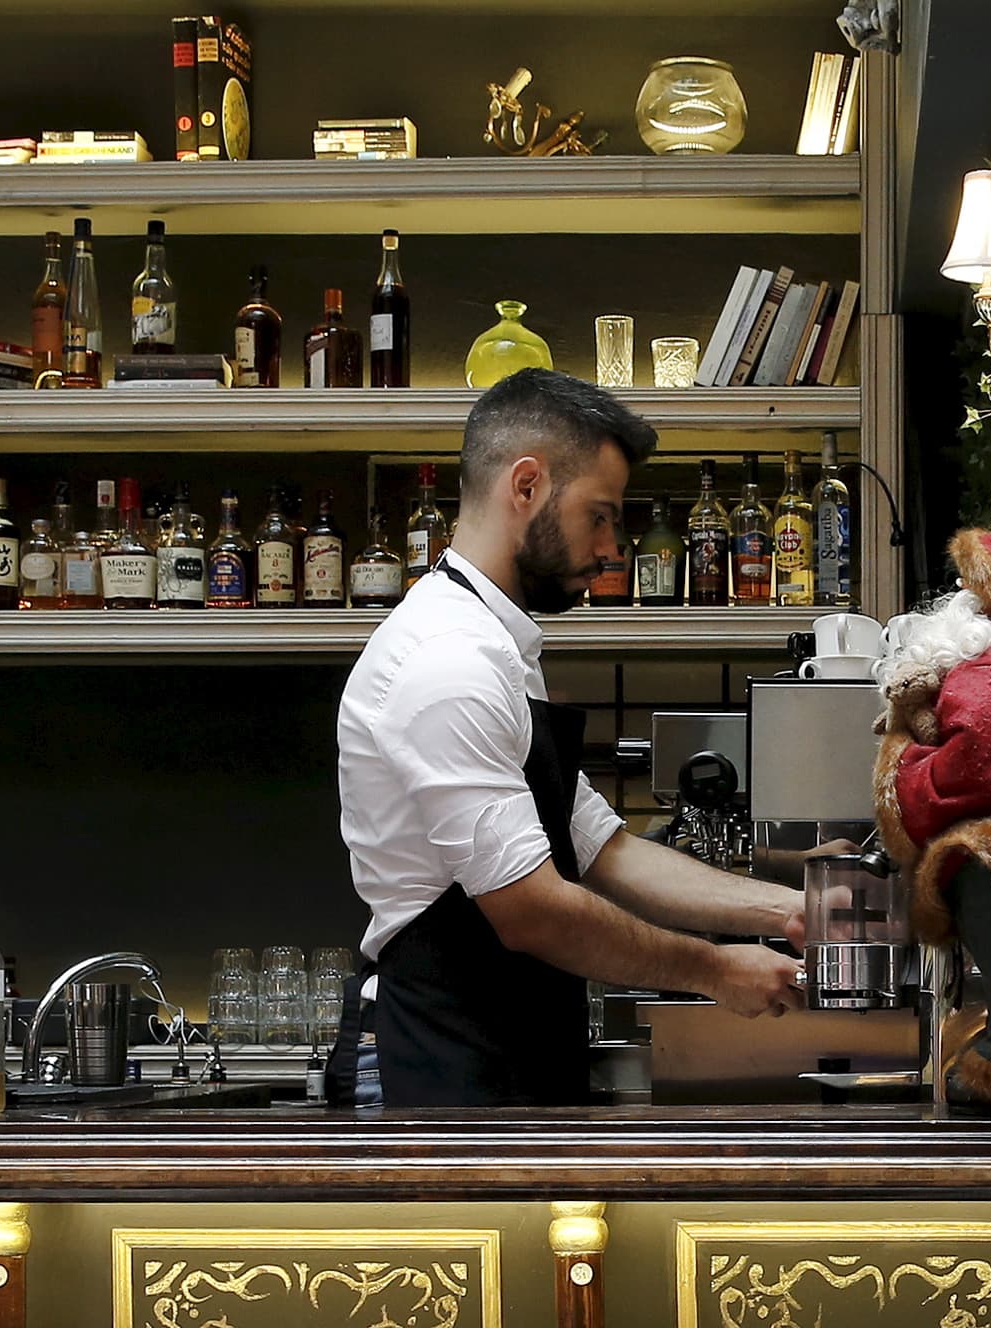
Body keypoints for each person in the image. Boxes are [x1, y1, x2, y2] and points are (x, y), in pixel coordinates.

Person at [332, 368, 804, 1106]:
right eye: (601, 516)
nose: (612, 547)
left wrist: (788, 911)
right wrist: (715, 971)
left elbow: (603, 851)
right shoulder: (447, 661)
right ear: (526, 487)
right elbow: (534, 911)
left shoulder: (498, 651)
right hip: (445, 1071)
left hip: (508, 1059)